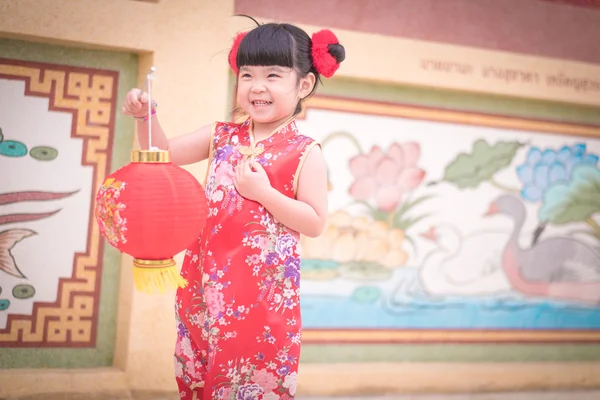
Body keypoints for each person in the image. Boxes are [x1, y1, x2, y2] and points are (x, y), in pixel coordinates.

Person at [122, 20, 345, 400]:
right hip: (202, 284)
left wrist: (263, 194)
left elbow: (315, 222)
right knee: (197, 374)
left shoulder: (305, 151)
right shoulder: (221, 136)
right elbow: (162, 157)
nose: (257, 86)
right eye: (247, 75)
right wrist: (146, 116)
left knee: (246, 384)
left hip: (262, 298)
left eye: (273, 75)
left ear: (304, 84)